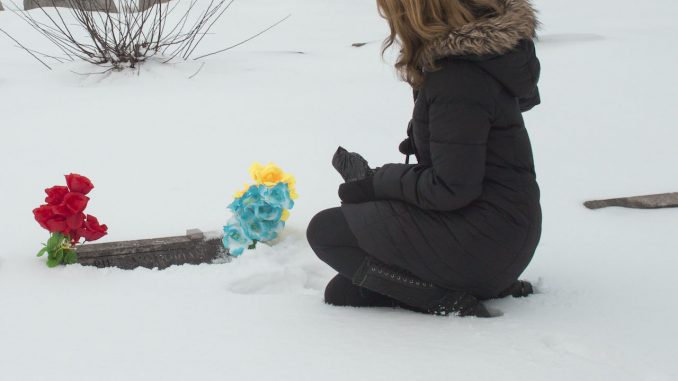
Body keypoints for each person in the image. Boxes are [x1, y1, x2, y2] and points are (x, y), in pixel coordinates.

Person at [307, 0, 542, 318]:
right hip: (502, 236)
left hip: (485, 239)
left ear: (416, 13)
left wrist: (376, 181)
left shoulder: (458, 77)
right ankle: (469, 285)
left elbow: (450, 189)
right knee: (345, 291)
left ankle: (447, 300)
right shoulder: (474, 64)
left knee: (327, 231)